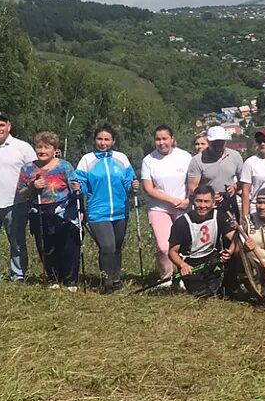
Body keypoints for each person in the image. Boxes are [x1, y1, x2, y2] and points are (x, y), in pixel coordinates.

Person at [72, 125, 137, 294]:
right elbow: (81, 183)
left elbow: (128, 182)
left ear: (113, 141)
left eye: (107, 139)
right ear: (95, 140)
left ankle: (116, 278)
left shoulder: (121, 158)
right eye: (100, 139)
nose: (103, 142)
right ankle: (106, 281)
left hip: (120, 210)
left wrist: (133, 186)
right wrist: (78, 187)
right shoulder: (87, 159)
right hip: (97, 211)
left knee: (117, 246)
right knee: (107, 246)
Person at [17, 131, 78, 289]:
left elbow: (75, 190)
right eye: (39, 147)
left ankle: (70, 280)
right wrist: (32, 186)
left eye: (47, 147)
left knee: (67, 245)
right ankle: (54, 278)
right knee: (45, 247)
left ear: (54, 149)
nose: (42, 151)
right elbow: (21, 192)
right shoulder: (28, 168)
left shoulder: (65, 166)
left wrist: (79, 195)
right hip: (39, 210)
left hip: (62, 210)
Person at [0, 110, 37, 284]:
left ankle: (18, 276)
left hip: (16, 203)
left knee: (17, 242)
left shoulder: (22, 147)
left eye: (1, 125)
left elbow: (35, 172)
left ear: (9, 126)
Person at [141, 125, 192, 287]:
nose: (161, 142)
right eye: (158, 139)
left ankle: (184, 276)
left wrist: (187, 201)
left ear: (172, 139)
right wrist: (172, 200)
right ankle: (166, 276)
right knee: (164, 246)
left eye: (165, 138)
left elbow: (193, 183)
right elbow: (149, 188)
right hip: (159, 208)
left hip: (184, 206)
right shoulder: (149, 160)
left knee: (184, 245)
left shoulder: (185, 157)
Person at [168, 184, 235, 298]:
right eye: (199, 201)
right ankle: (180, 280)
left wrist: (230, 252)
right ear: (193, 202)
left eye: (206, 201)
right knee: (201, 293)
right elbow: (172, 252)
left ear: (213, 203)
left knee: (220, 290)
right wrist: (182, 265)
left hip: (211, 258)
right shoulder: (182, 223)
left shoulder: (219, 216)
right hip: (191, 262)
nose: (202, 205)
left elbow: (235, 237)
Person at [186, 126, 243, 208]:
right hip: (206, 206)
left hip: (230, 203)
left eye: (220, 143)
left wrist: (235, 187)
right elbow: (192, 188)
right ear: (208, 142)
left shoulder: (235, 156)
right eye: (214, 143)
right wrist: (209, 197)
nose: (217, 147)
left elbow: (243, 181)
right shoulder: (197, 160)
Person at [240, 129, 265, 217]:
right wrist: (245, 216)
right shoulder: (250, 163)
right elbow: (245, 192)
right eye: (259, 141)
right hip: (257, 209)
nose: (262, 144)